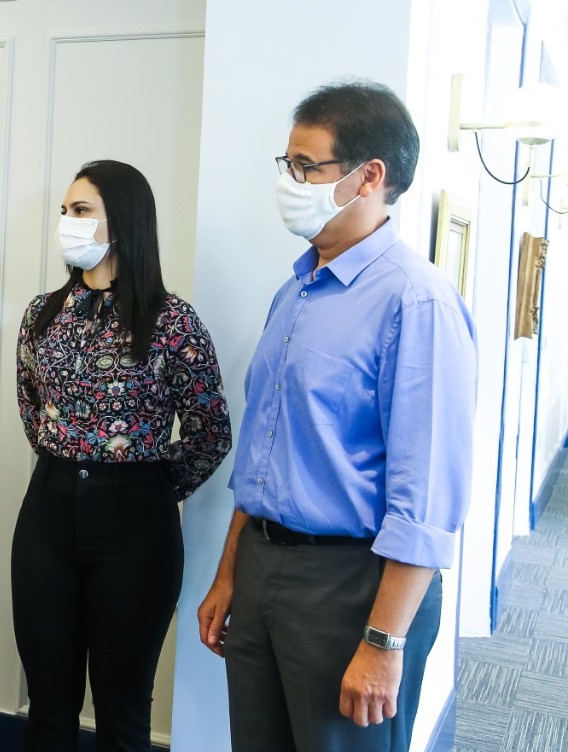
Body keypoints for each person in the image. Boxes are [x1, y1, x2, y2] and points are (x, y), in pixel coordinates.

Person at [196, 81, 477, 752]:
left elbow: (426, 501)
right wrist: (231, 571)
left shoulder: (417, 303)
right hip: (265, 563)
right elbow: (266, 453)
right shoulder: (295, 291)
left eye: (306, 166)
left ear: (369, 176)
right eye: (286, 165)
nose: (289, 181)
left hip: (353, 586)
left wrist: (383, 642)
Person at [13, 159, 233, 751]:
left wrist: (153, 486)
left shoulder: (173, 322)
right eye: (64, 211)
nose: (67, 222)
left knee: (124, 711)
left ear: (124, 223)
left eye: (81, 211)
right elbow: (33, 412)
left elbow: (211, 431)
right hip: (48, 514)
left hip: (136, 523)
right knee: (48, 706)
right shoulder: (42, 315)